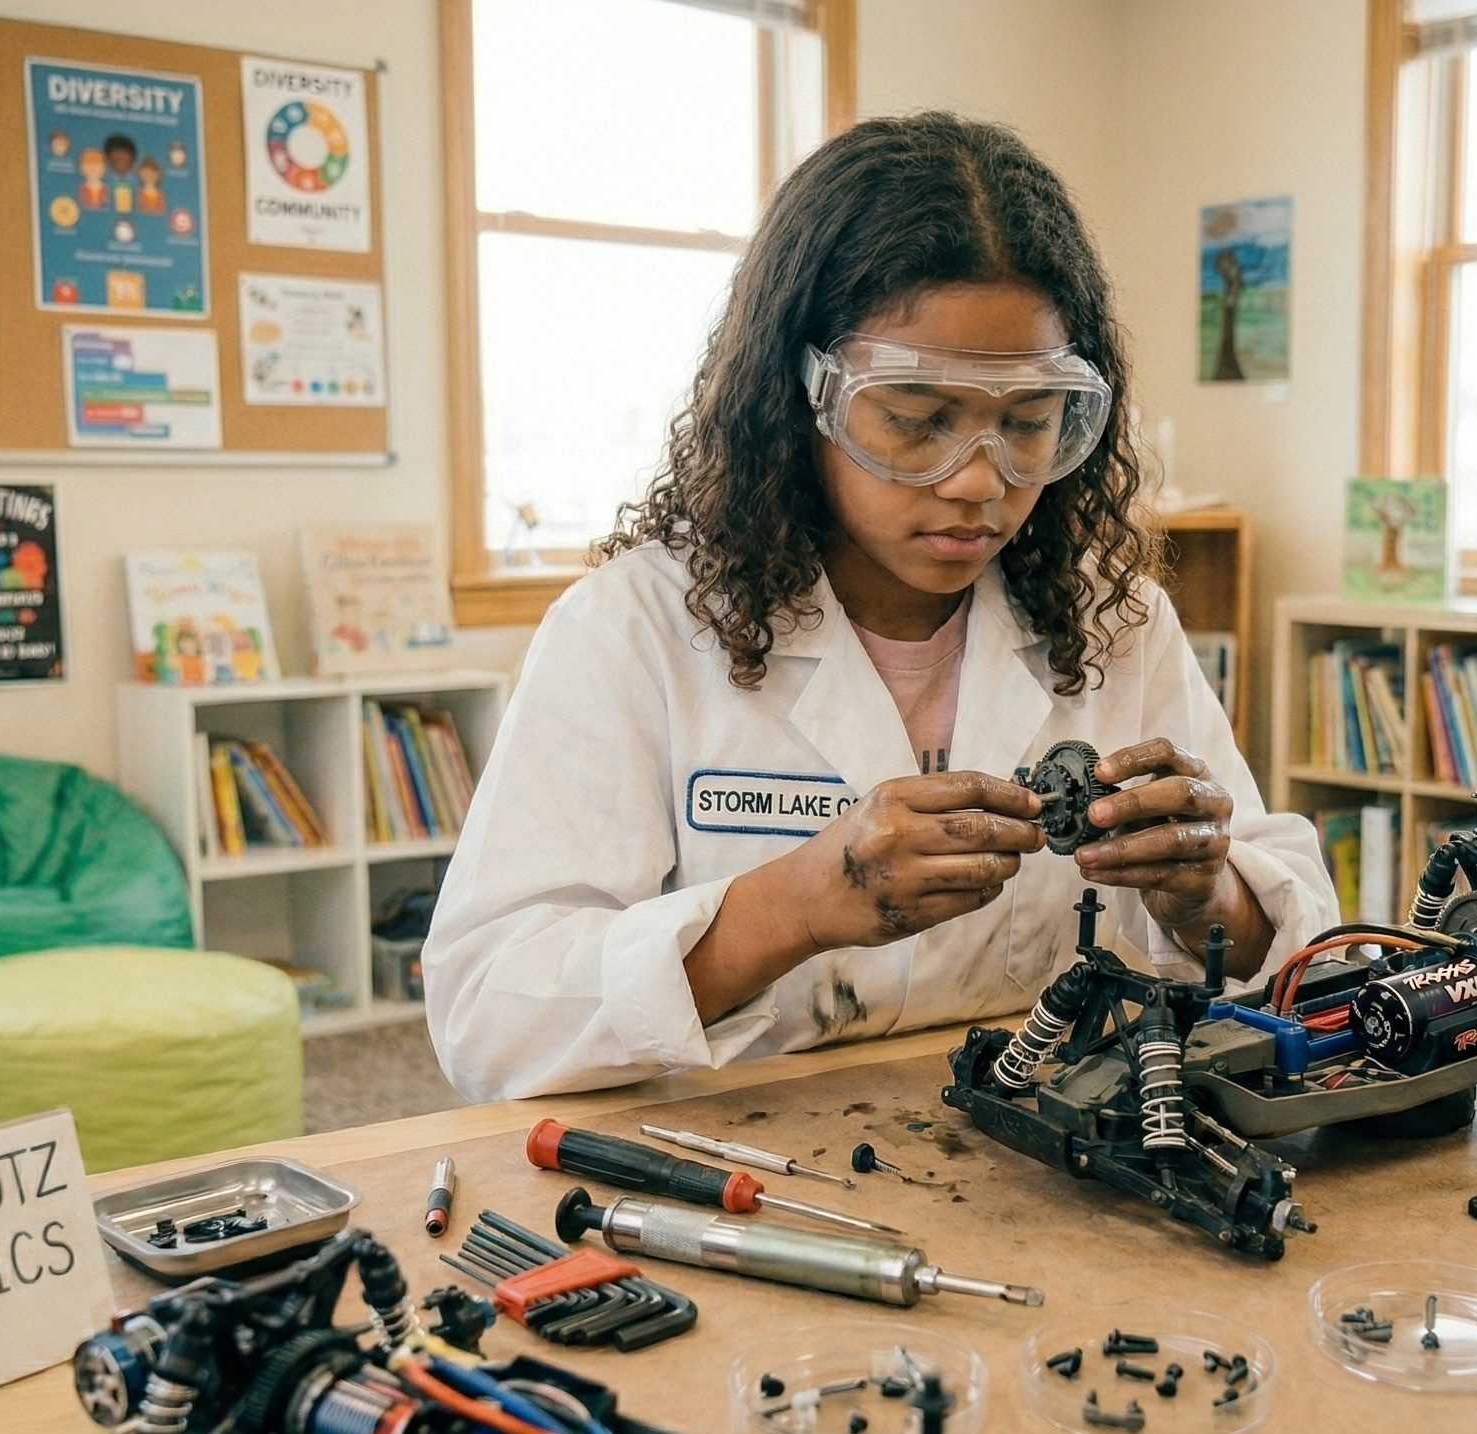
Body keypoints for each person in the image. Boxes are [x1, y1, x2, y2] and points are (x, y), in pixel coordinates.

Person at [423, 113, 1333, 1101]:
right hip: (746, 1162)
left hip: (1043, 1158)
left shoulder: (1116, 620)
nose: (978, 482)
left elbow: (1293, 955)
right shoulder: (636, 627)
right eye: (913, 421)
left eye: (1028, 423)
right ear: (797, 394)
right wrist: (785, 911)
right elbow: (489, 1017)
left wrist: (1204, 887)